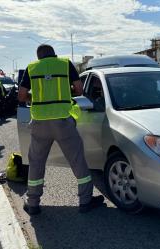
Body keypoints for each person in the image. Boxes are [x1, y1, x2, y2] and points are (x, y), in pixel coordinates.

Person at [18, 44, 105, 215]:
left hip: (40, 122)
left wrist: (34, 97)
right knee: (77, 159)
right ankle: (85, 201)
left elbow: (21, 95)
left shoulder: (32, 68)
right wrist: (65, 93)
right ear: (54, 54)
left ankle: (33, 203)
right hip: (63, 122)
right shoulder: (65, 64)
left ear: (39, 57)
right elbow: (79, 89)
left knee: (36, 162)